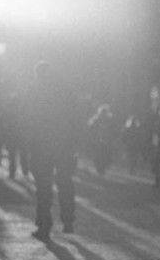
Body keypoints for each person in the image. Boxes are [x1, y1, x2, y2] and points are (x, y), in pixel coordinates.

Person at [25, 61, 82, 240]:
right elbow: (75, 119)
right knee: (65, 181)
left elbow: (29, 121)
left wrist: (29, 145)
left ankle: (44, 223)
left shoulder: (35, 93)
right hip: (64, 145)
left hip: (42, 146)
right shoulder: (66, 91)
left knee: (43, 187)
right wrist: (74, 144)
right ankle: (67, 220)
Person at [87, 103, 118, 176]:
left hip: (107, 141)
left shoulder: (111, 121)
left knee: (105, 155)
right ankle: (99, 167)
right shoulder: (95, 120)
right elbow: (90, 130)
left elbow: (114, 131)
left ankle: (103, 167)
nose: (103, 114)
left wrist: (113, 138)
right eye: (102, 112)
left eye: (104, 112)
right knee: (97, 156)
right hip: (97, 141)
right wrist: (91, 138)